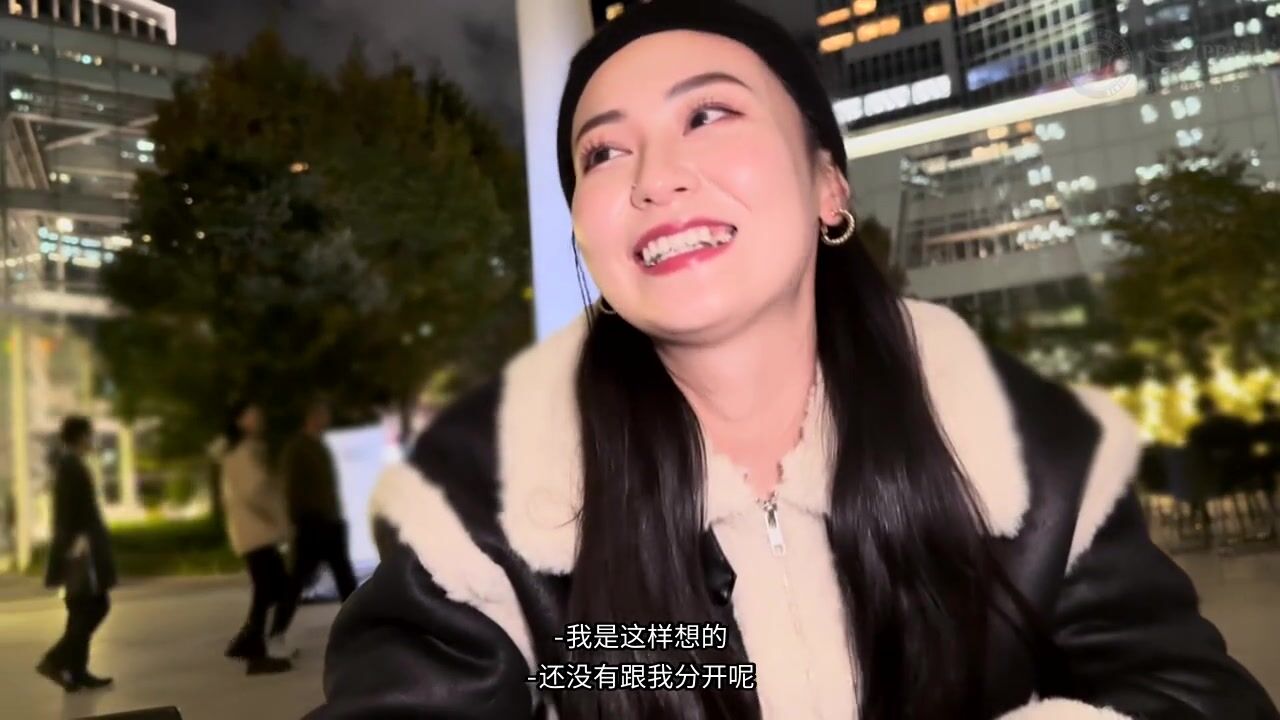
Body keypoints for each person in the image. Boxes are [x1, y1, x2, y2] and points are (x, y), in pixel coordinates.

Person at [307, 2, 1279, 719]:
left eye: (707, 116)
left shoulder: (1022, 451)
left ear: (827, 186)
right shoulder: (485, 504)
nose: (654, 179)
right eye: (602, 154)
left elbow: (1194, 696)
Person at [37, 415, 116, 692]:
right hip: (81, 549)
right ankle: (55, 660)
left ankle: (77, 671)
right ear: (81, 436)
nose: (92, 440)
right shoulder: (70, 466)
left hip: (80, 545)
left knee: (81, 610)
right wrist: (76, 540)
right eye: (89, 434)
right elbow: (68, 509)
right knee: (95, 605)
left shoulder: (70, 464)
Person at [217, 400, 295, 675]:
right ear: (240, 421)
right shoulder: (243, 453)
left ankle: (248, 643)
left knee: (269, 590)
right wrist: (281, 519)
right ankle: (254, 650)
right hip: (257, 531)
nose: (260, 418)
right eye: (253, 415)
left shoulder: (244, 451)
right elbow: (256, 491)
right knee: (275, 589)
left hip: (254, 531)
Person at [280, 398, 357, 603]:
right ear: (312, 417)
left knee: (343, 573)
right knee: (299, 577)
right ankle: (279, 618)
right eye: (323, 414)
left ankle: (359, 616)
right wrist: (297, 518)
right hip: (311, 521)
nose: (327, 418)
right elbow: (292, 487)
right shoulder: (298, 449)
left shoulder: (321, 446)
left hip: (330, 520)